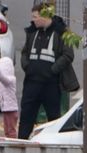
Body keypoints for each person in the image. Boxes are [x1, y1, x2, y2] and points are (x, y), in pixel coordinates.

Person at [19, 2, 74, 140]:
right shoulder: (32, 31)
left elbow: (68, 55)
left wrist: (52, 70)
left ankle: (52, 147)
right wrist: (28, 67)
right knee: (26, 119)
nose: (32, 19)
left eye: (35, 16)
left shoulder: (61, 31)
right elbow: (24, 52)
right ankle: (21, 145)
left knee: (53, 120)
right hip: (31, 84)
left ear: (44, 16)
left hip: (51, 85)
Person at [0, 56, 19, 138]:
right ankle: (8, 143)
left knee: (11, 130)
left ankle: (13, 144)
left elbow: (3, 78)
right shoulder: (2, 83)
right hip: (6, 109)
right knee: (6, 129)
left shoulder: (11, 80)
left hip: (11, 109)